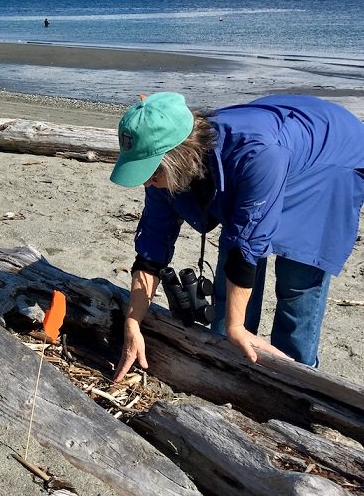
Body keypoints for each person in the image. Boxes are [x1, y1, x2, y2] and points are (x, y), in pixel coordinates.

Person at [109, 92, 364, 381]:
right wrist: (133, 322)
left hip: (329, 163)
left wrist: (235, 326)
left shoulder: (255, 154)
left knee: (296, 284)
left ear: (180, 156)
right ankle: (228, 367)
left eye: (152, 173)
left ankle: (296, 380)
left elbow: (245, 246)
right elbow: (151, 248)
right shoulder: (165, 172)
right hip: (285, 145)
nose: (146, 181)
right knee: (229, 288)